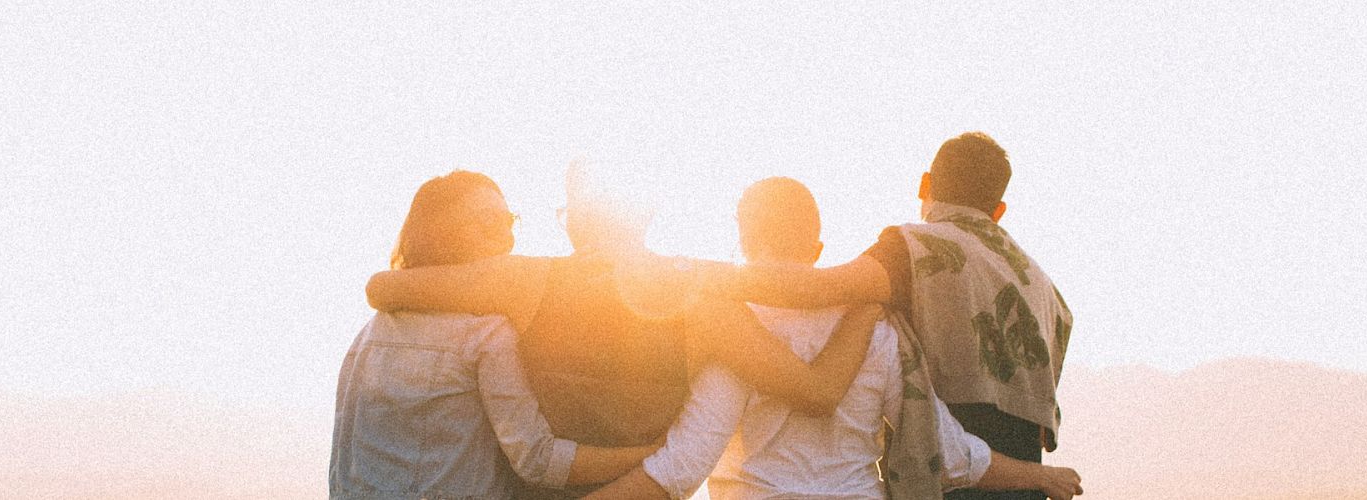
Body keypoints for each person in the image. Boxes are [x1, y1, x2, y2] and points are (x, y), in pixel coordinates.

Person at [364, 164, 881, 498]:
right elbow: (818, 391)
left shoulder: (524, 281)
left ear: (571, 218)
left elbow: (387, 288)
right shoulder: (703, 296)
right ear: (648, 211)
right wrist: (867, 301)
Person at [584, 178, 1081, 500]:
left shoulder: (732, 325)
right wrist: (1039, 475)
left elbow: (681, 468)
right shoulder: (880, 328)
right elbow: (947, 450)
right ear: (818, 247)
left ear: (740, 238)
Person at [723, 133, 1076, 500]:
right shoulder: (1047, 291)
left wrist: (694, 279)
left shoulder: (915, 250)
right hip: (1024, 483)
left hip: (945, 480)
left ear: (925, 184)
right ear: (998, 210)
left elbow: (821, 289)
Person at [331, 171, 661, 499]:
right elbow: (538, 461)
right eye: (488, 223)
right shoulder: (486, 335)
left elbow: (343, 462)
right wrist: (653, 454)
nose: (507, 240)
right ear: (443, 233)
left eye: (509, 222)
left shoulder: (368, 334)